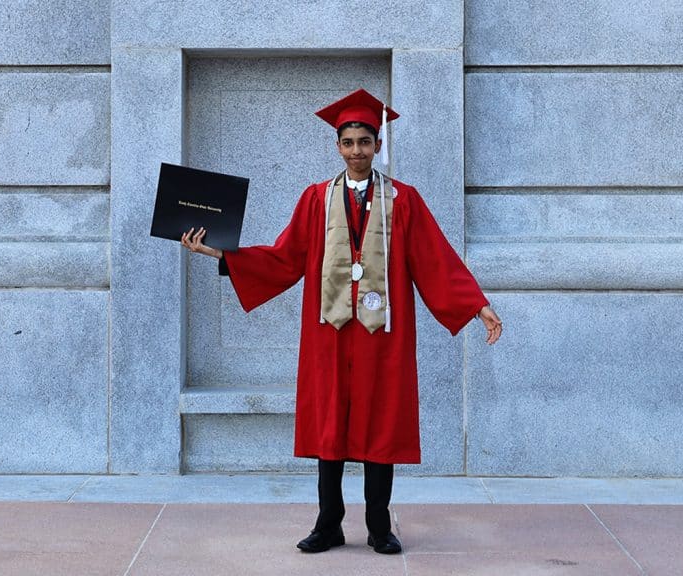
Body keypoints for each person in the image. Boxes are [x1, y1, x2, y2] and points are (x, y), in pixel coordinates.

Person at [181, 88, 502, 555]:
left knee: (380, 424)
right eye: (348, 142)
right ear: (337, 145)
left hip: (382, 337)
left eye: (365, 142)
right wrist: (219, 252)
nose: (356, 151)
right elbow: (284, 257)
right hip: (328, 332)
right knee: (329, 425)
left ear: (377, 146)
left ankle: (378, 526)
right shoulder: (315, 199)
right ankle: (328, 523)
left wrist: (476, 304)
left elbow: (436, 260)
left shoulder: (403, 200)